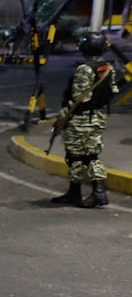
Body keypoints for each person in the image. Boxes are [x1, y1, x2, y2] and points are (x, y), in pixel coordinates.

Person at [50, 29, 118, 208]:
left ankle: (80, 193)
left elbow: (79, 99)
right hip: (98, 117)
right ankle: (95, 192)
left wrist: (62, 118)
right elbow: (113, 92)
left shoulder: (84, 69)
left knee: (75, 156)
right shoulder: (108, 67)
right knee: (92, 154)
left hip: (80, 119)